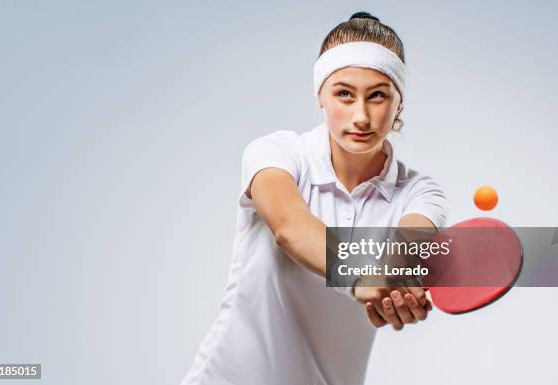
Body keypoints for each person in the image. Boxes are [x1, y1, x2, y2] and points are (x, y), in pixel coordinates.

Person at [182, 12, 447, 385]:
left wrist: (398, 290)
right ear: (320, 95)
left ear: (398, 104)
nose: (361, 116)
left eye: (377, 96)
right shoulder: (275, 153)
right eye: (343, 93)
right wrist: (360, 276)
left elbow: (405, 252)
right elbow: (290, 227)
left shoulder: (420, 192)